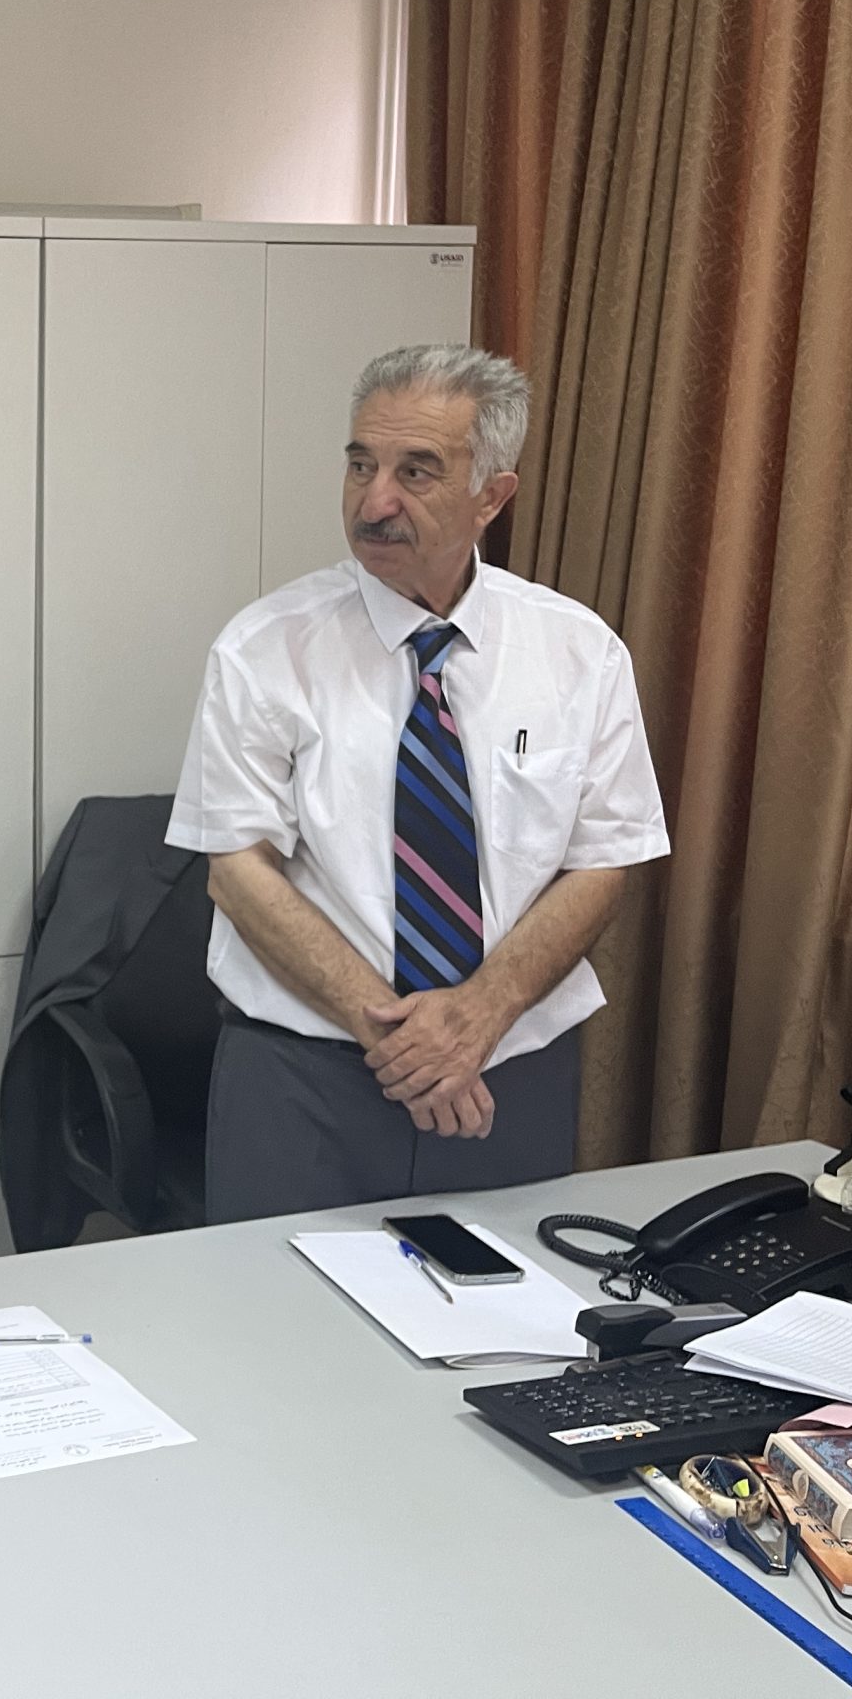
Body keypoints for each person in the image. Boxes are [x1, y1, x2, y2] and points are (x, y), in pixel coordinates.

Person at [169, 344, 669, 1223]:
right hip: (306, 1077)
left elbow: (604, 864)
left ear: (493, 496)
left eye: (417, 471)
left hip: (509, 1071)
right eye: (361, 463)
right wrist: (402, 1040)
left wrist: (478, 1016)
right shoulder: (264, 648)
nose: (375, 500)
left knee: (510, 1340)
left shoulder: (578, 652)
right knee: (272, 1337)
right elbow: (235, 869)